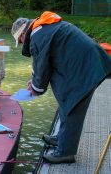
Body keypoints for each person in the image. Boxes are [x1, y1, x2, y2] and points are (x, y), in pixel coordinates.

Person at [11, 11, 111, 164]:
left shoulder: (38, 35)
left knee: (72, 105)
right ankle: (62, 139)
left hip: (86, 68)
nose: (22, 42)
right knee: (66, 103)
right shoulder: (43, 28)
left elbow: (43, 67)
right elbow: (42, 63)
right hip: (85, 63)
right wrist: (35, 82)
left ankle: (65, 153)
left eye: (20, 39)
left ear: (24, 33)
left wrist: (35, 88)